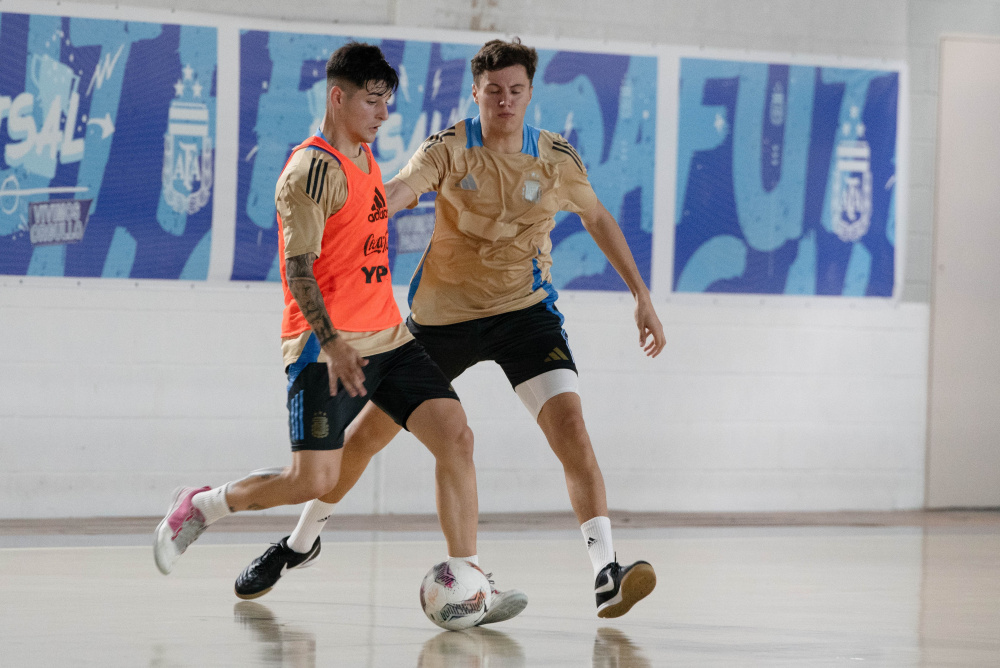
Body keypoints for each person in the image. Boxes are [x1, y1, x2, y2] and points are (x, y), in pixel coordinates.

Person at [235, 38, 665, 619]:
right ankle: (298, 544)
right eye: (493, 92)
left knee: (572, 430)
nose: (505, 101)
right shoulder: (450, 148)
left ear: (530, 93)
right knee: (362, 439)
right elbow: (395, 194)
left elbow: (597, 218)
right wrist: (345, 216)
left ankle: (605, 572)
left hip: (525, 315)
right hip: (442, 319)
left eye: (515, 91)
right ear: (476, 93)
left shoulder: (556, 159)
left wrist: (641, 295)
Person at [152, 41, 526, 626]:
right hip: (323, 349)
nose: (382, 114)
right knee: (313, 479)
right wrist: (331, 342)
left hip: (389, 339)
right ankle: (201, 505)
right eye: (372, 102)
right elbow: (297, 270)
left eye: (387, 104)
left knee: (456, 436)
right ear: (337, 97)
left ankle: (470, 580)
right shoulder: (310, 171)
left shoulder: (367, 157)